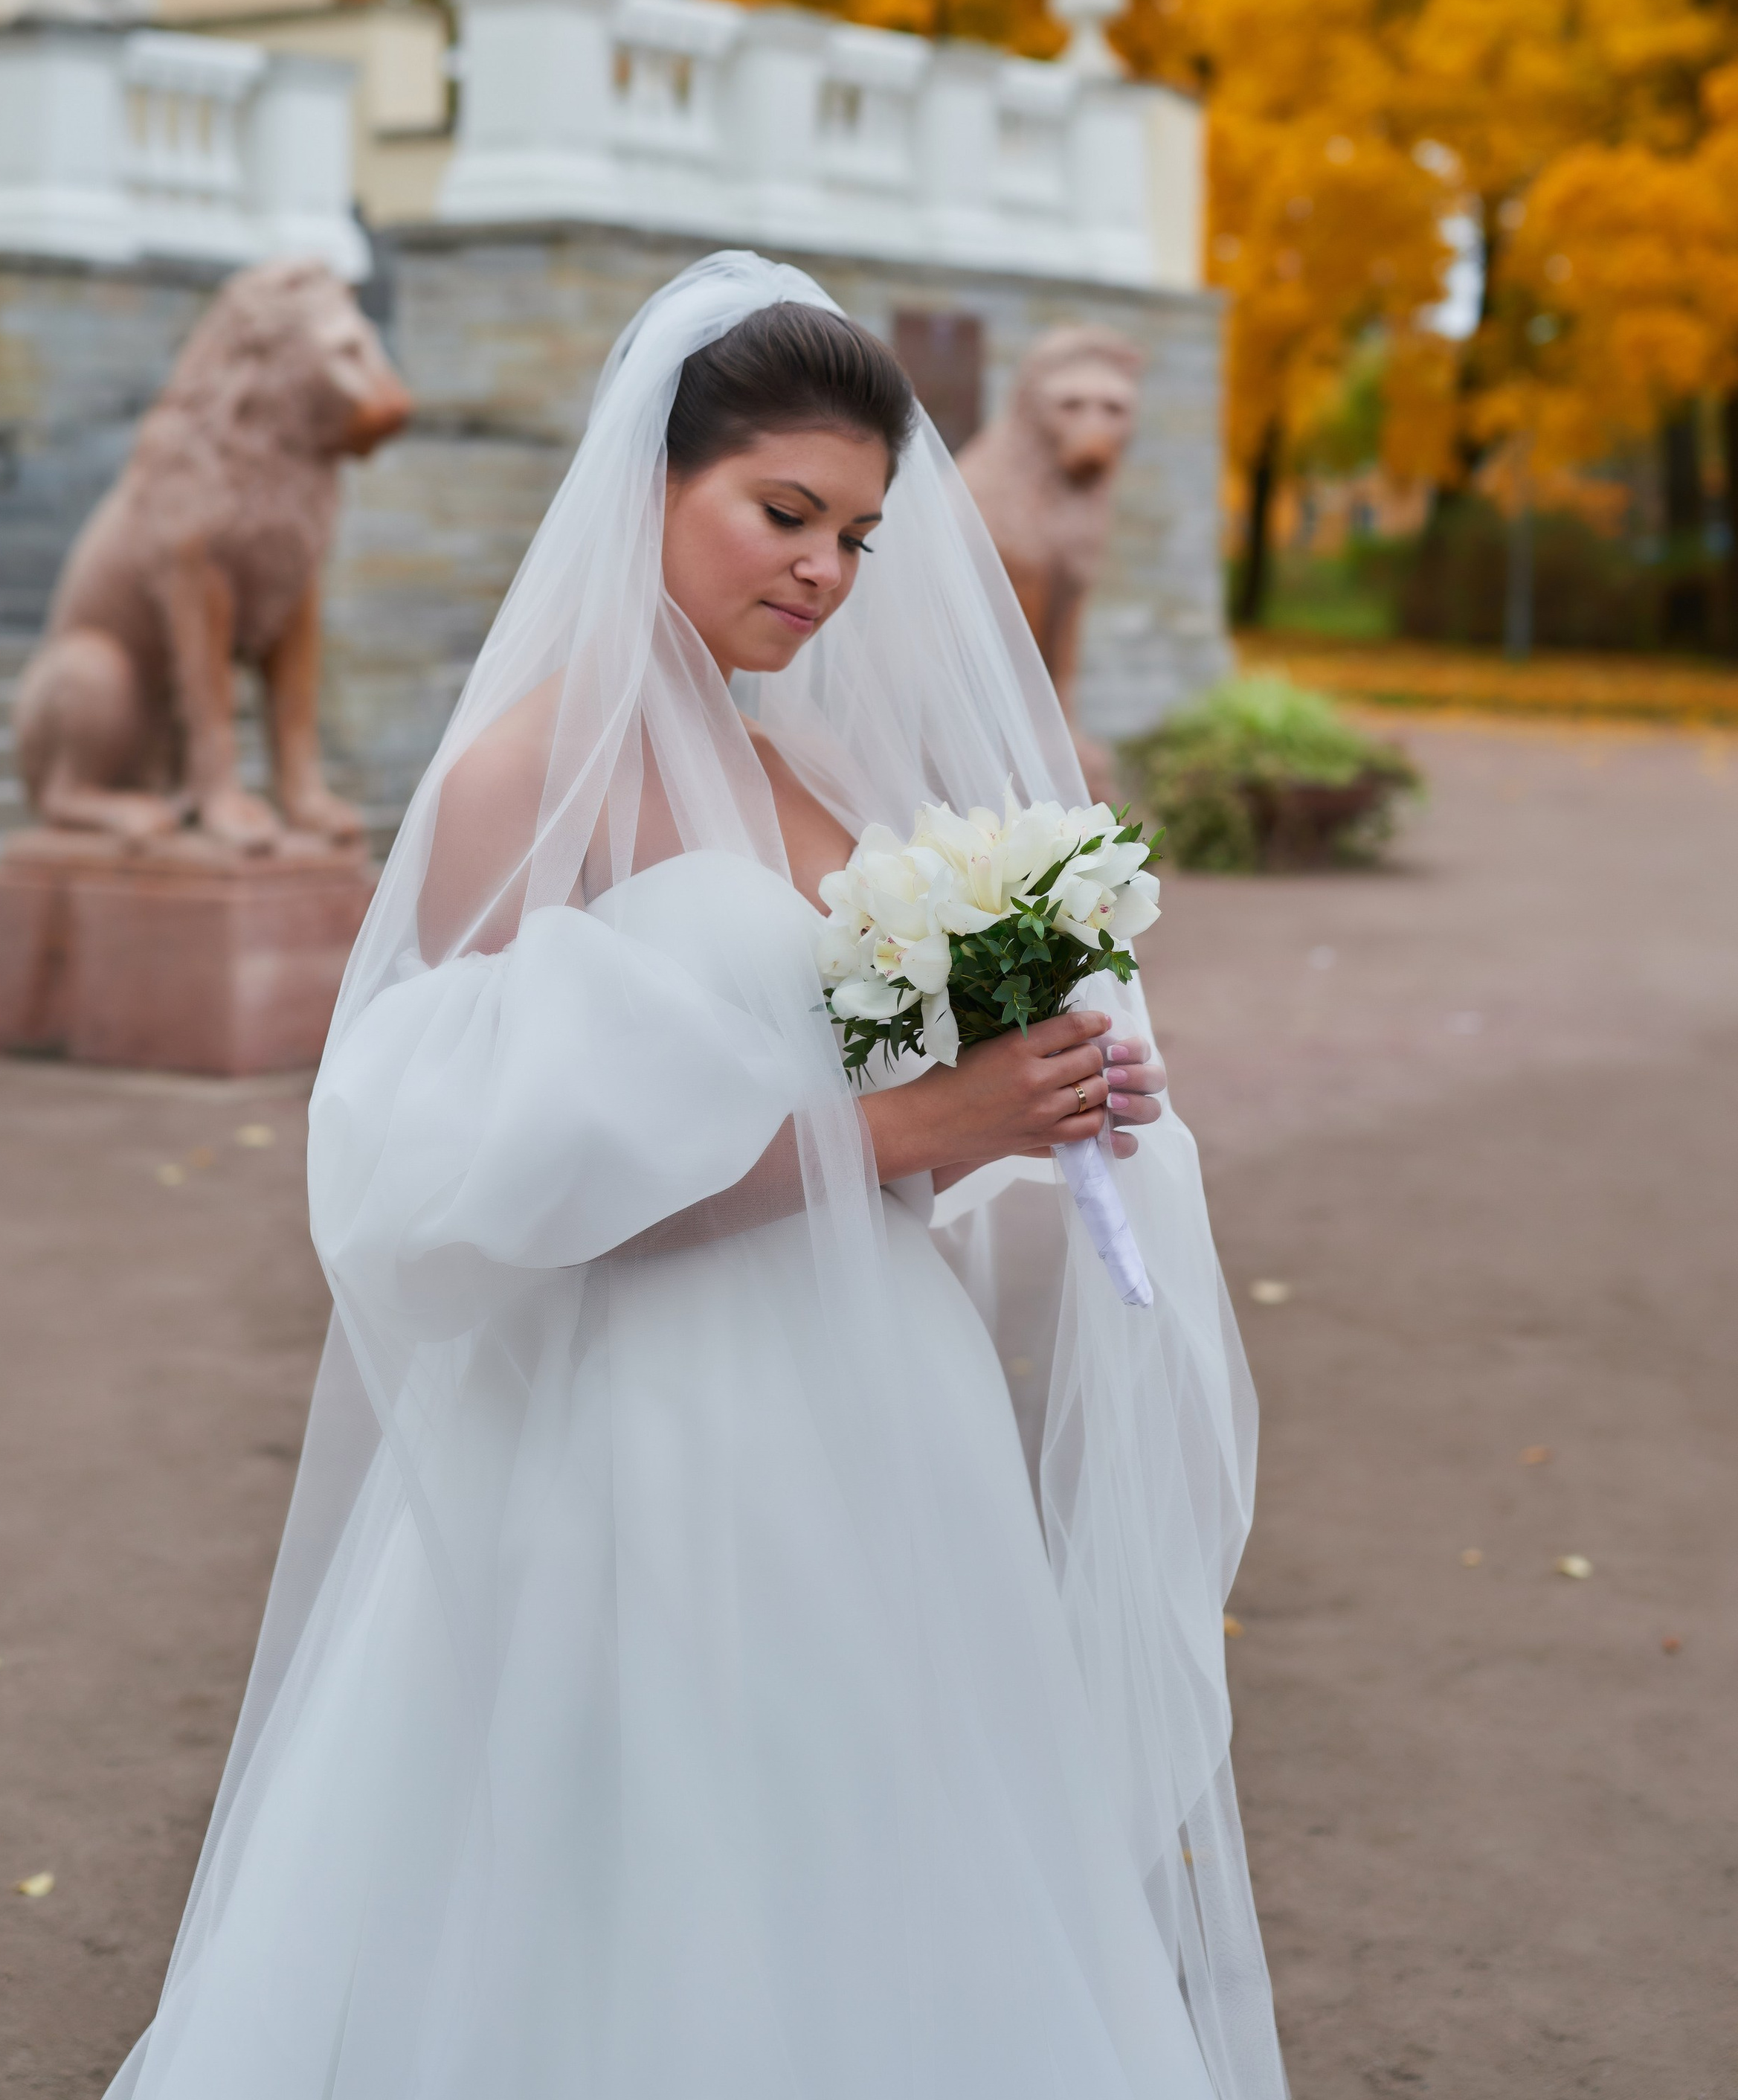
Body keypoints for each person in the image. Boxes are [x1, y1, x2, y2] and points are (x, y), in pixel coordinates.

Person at [105, 252, 1288, 2100]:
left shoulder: (799, 768)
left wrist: (1026, 1088)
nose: (823, 571)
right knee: (645, 1870)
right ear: (648, 484)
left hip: (879, 1404)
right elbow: (477, 1175)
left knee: (886, 1849)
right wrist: (912, 1128)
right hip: (638, 1430)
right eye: (782, 513)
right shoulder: (521, 783)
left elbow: (848, 1083)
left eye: (857, 537)